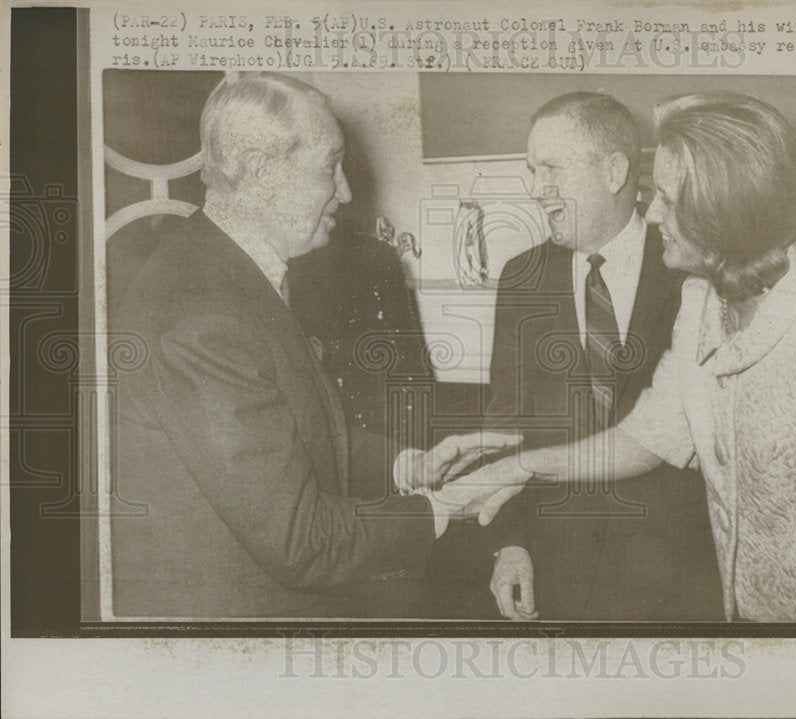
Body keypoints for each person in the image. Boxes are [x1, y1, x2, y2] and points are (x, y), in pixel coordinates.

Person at [466, 92, 796, 622]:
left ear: (723, 209)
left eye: (668, 196)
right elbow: (647, 435)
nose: (654, 210)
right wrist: (517, 467)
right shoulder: (703, 303)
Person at [109, 72, 518, 618]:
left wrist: (409, 466)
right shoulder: (204, 314)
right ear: (261, 172)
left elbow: (303, 435)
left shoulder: (234, 272)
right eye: (330, 166)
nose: (346, 192)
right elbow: (304, 544)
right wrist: (442, 507)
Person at [436, 92, 723, 621]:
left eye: (552, 169)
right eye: (532, 170)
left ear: (615, 171)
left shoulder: (693, 266)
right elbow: (506, 417)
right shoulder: (523, 277)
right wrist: (510, 544)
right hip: (555, 559)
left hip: (675, 567)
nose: (536, 189)